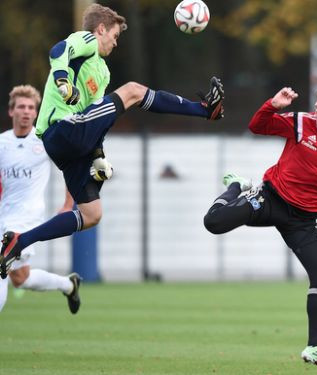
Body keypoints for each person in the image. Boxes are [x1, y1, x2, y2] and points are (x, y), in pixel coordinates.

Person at [0, 3, 224, 277]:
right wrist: (62, 81)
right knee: (132, 91)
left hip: (70, 143)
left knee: (91, 214)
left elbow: (96, 118)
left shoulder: (102, 73)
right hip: (61, 129)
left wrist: (98, 156)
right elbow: (58, 51)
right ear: (102, 29)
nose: (116, 43)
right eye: (115, 36)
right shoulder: (87, 41)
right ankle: (203, 110)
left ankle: (19, 241)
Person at [203, 84, 317, 369]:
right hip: (269, 199)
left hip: (303, 220)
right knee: (213, 223)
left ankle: (314, 348)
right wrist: (273, 105)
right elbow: (257, 126)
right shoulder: (302, 123)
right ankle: (237, 187)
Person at [0, 85, 80, 314]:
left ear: (36, 113)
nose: (26, 111)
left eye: (30, 107)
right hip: (4, 216)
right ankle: (68, 284)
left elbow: (70, 168)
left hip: (26, 220)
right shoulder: (2, 142)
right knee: (20, 278)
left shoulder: (44, 141)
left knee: (1, 265)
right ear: (11, 111)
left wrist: (68, 204)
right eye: (21, 107)